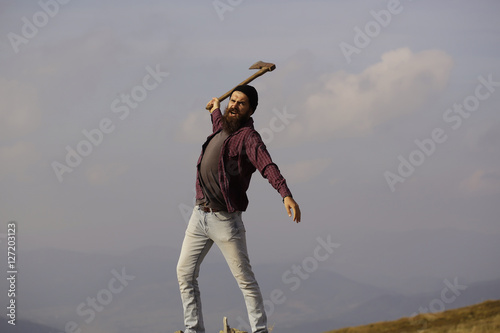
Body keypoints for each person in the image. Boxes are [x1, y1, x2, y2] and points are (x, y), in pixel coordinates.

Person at [176, 85, 301, 333]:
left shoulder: (248, 138)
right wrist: (215, 110)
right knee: (184, 273)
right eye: (232, 100)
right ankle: (193, 329)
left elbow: (267, 165)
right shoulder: (223, 128)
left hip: (225, 221)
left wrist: (285, 193)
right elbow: (218, 132)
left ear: (250, 110)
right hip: (199, 215)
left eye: (240, 103)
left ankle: (259, 330)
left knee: (245, 281)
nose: (233, 105)